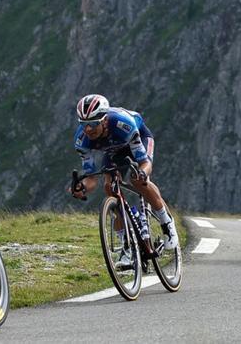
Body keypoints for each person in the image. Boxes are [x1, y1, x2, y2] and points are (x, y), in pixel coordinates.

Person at [69, 94, 179, 263]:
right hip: (114, 150)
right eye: (84, 124)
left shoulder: (123, 124)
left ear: (105, 120)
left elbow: (144, 162)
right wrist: (81, 187)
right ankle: (126, 245)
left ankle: (167, 223)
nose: (88, 129)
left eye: (92, 124)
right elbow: (91, 179)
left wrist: (142, 172)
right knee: (109, 187)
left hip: (138, 137)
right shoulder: (82, 140)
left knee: (138, 179)